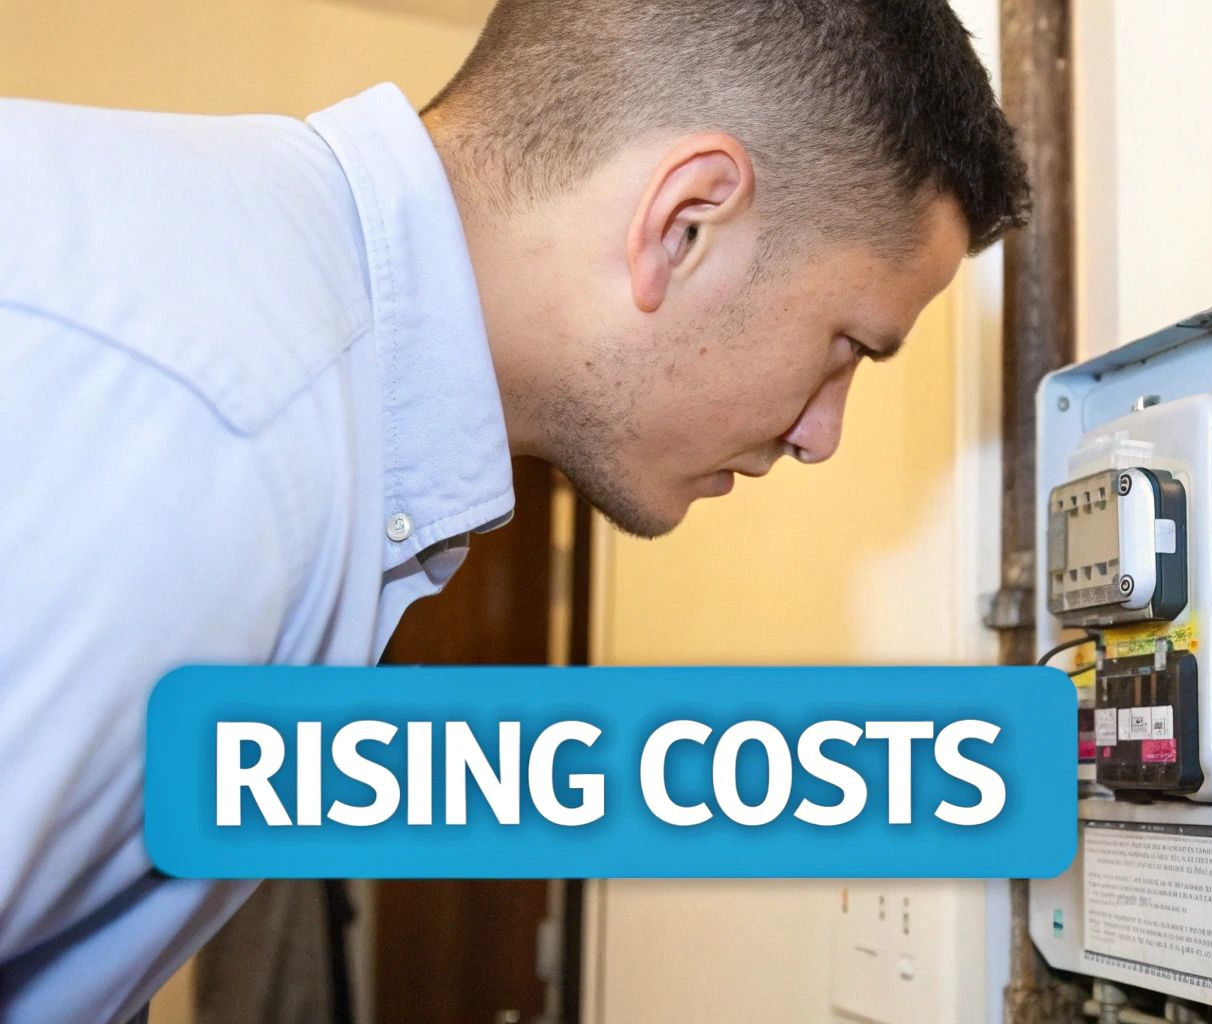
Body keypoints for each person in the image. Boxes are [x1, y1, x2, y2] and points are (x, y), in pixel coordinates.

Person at [0, 0, 1030, 1018]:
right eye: (847, 343)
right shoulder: (217, 422)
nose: (821, 432)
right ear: (685, 222)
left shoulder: (292, 370)